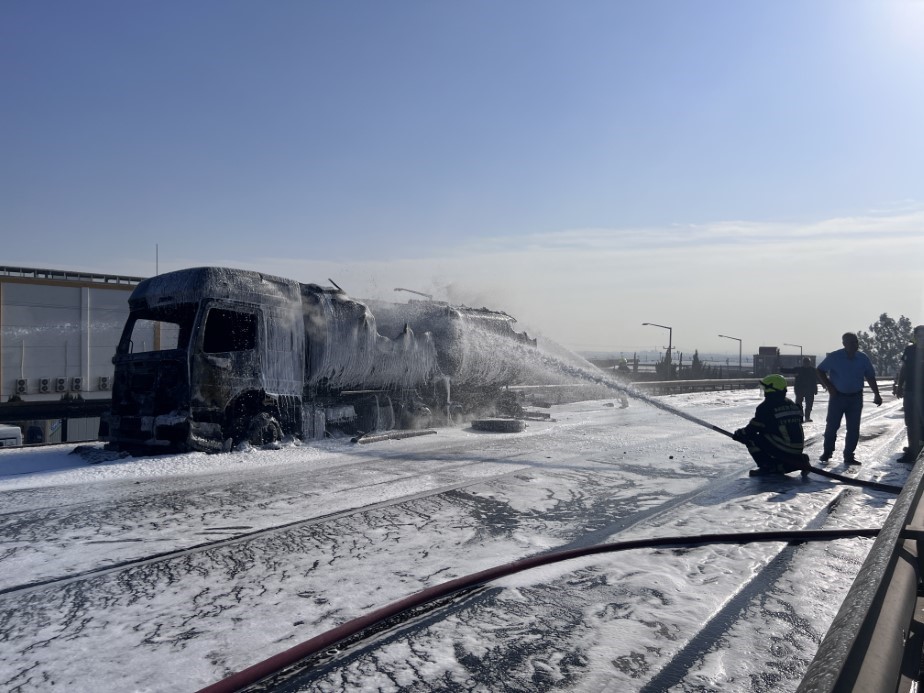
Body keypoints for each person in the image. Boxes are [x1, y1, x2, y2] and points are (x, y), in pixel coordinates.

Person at [816, 332, 883, 465]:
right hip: (838, 398)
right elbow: (820, 370)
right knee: (832, 427)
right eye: (851, 342)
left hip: (856, 398)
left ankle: (849, 455)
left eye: (856, 342)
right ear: (844, 344)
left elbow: (870, 376)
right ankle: (827, 452)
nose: (855, 345)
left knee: (853, 428)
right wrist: (829, 386)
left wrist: (877, 394)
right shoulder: (835, 357)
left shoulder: (863, 358)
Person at [733, 374, 811, 477]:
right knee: (767, 435)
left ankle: (767, 466)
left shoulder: (765, 407)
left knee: (751, 438)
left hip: (785, 447)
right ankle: (798, 460)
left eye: (765, 388)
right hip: (797, 448)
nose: (763, 391)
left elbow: (752, 429)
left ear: (771, 389)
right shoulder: (791, 404)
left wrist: (740, 434)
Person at [895, 325, 924, 463]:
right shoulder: (909, 350)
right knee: (911, 422)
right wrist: (900, 386)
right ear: (915, 337)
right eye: (919, 336)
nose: (921, 338)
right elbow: (904, 369)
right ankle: (912, 451)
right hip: (910, 391)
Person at [792, 357, 819, 422]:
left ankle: (807, 417)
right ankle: (800, 416)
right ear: (803, 363)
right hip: (799, 389)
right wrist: (780, 369)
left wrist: (817, 388)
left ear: (809, 363)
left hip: (810, 390)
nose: (806, 364)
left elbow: (817, 379)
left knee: (809, 404)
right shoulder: (798, 369)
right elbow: (788, 370)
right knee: (798, 404)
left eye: (807, 362)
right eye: (805, 362)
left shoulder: (813, 370)